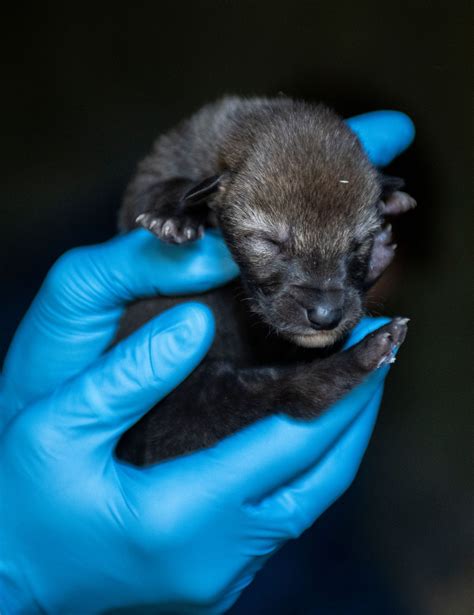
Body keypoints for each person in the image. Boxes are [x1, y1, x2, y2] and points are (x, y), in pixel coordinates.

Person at [0, 110, 414, 614]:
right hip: (158, 425)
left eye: (355, 247)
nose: (327, 305)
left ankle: (312, 378)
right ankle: (306, 386)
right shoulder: (184, 168)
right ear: (216, 187)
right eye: (275, 244)